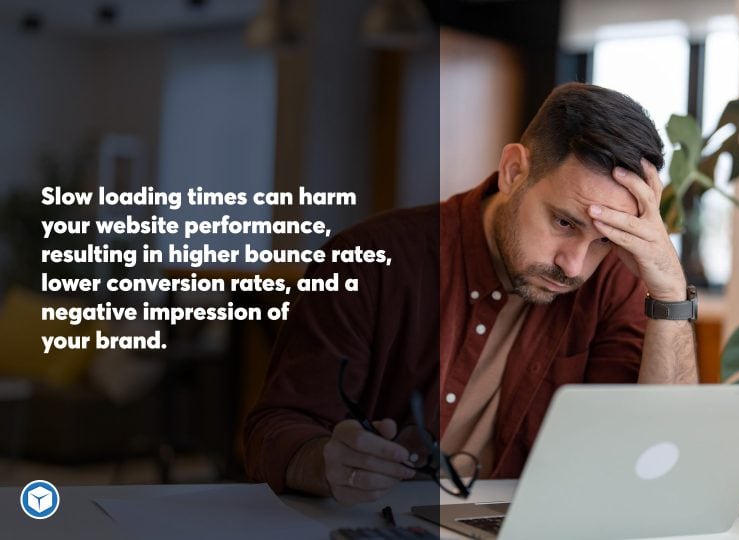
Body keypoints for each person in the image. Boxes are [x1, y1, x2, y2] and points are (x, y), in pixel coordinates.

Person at [243, 83, 698, 504]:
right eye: (564, 223)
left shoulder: (612, 282)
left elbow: (660, 460)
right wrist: (326, 462)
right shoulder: (368, 259)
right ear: (513, 170)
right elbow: (274, 429)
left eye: (605, 240)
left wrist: (671, 290)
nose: (574, 265)